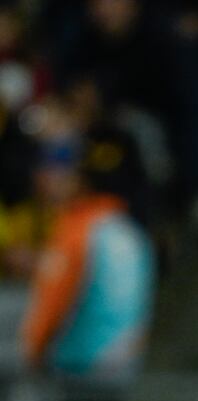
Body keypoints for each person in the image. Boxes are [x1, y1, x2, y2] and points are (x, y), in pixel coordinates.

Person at [20, 126, 154, 379]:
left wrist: (32, 353)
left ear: (79, 178)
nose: (42, 178)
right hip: (122, 367)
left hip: (77, 369)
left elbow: (54, 300)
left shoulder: (78, 231)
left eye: (55, 170)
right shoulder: (126, 230)